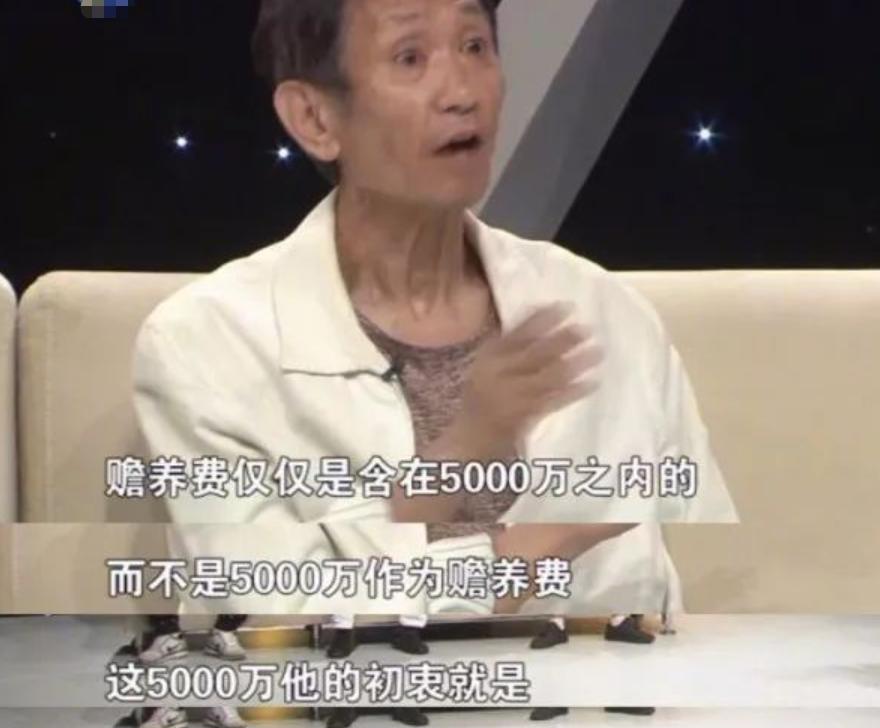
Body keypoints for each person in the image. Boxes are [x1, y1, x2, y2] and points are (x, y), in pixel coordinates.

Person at [133, 0, 737, 621]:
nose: (461, 93)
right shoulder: (207, 346)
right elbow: (273, 618)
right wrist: (504, 517)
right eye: (411, 57)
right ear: (314, 117)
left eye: (475, 47)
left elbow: (705, 597)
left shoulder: (604, 312)